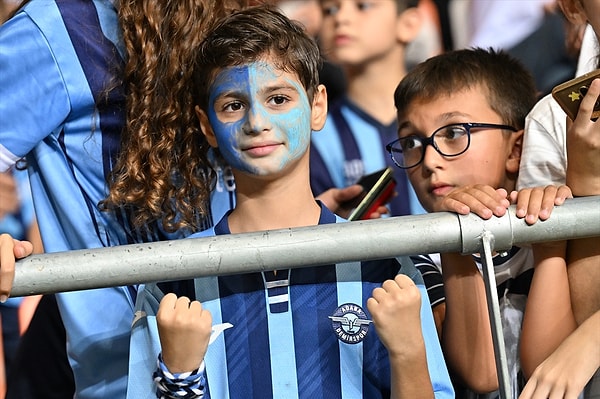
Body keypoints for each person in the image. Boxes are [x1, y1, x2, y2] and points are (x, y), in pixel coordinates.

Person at [126, 6, 454, 398]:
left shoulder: (388, 268)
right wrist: (178, 376)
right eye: (233, 105)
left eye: (278, 99)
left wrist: (408, 353)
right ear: (205, 125)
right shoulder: (170, 283)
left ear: (317, 107)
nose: (256, 122)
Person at [389, 47, 572, 398]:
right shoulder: (415, 266)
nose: (429, 160)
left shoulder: (561, 221)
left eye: (455, 132)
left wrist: (551, 235)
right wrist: (459, 235)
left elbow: (548, 366)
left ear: (516, 151)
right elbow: (484, 373)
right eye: (412, 141)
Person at [516, 0, 600, 396]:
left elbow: (587, 334)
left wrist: (594, 337)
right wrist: (587, 184)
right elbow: (580, 313)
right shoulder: (551, 120)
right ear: (573, 5)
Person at [310, 0, 426, 217]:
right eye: (330, 10)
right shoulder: (314, 134)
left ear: (408, 24)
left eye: (362, 6)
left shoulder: (448, 120)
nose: (341, 18)